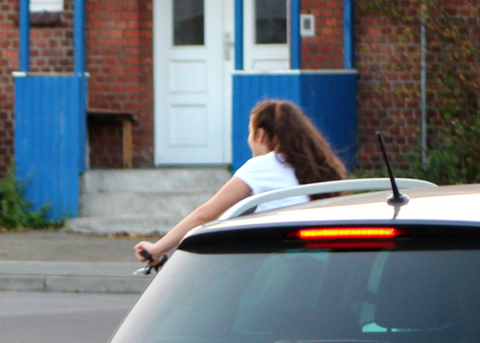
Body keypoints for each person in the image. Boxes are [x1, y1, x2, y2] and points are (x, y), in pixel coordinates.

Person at [134, 98, 348, 267]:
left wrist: (157, 248)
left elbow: (206, 214)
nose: (249, 140)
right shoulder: (319, 167)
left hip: (286, 264)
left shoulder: (262, 166)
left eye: (249, 132)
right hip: (328, 261)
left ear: (261, 134)